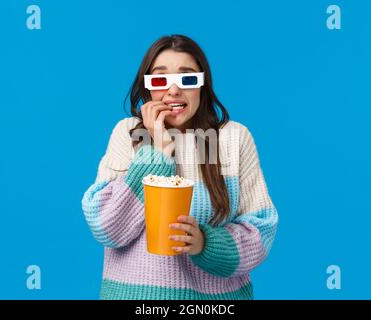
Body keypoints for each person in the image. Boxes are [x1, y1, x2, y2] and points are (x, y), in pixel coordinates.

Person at [81, 34, 279, 299]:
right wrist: (157, 153)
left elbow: (261, 230)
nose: (173, 90)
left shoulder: (232, 138)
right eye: (160, 79)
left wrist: (205, 244)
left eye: (187, 78)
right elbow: (107, 228)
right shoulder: (127, 134)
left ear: (202, 85)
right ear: (148, 87)